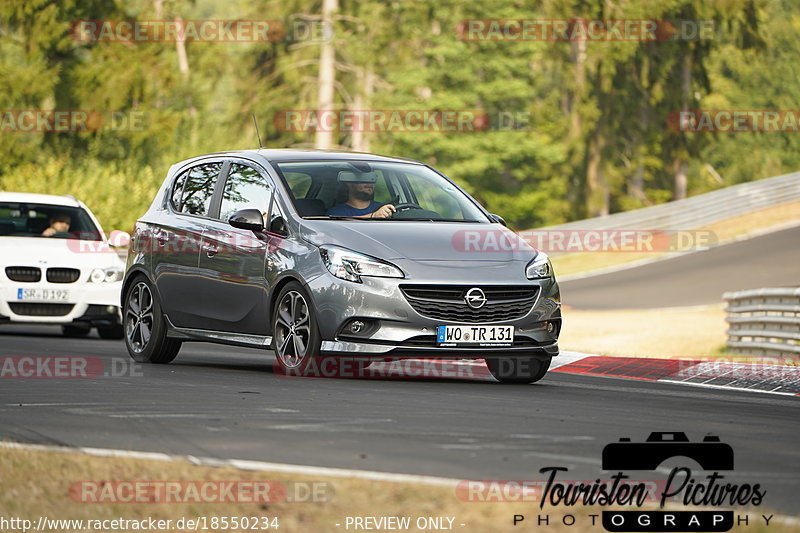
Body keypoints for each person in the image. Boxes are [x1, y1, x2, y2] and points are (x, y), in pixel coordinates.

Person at [327, 172, 396, 219]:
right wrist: (374, 215)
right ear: (350, 184)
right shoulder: (336, 212)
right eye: (364, 179)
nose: (370, 183)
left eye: (372, 179)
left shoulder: (382, 208)